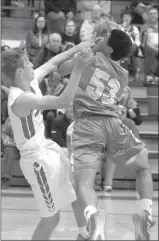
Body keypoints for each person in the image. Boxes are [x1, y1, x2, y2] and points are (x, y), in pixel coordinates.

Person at [57, 20, 154, 240]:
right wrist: (107, 38)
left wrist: (89, 47)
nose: (100, 37)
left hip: (87, 125)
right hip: (113, 124)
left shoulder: (90, 57)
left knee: (83, 183)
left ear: (108, 47)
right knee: (143, 167)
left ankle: (93, 219)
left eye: (105, 38)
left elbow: (61, 69)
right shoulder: (123, 74)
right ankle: (144, 215)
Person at [1, 41, 94, 240]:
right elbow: (63, 102)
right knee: (52, 219)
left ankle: (84, 234)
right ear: (19, 71)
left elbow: (53, 63)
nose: (32, 66)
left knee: (74, 190)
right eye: (28, 63)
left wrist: (79, 48)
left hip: (48, 149)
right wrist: (77, 69)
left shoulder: (30, 80)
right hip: (37, 162)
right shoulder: (19, 99)